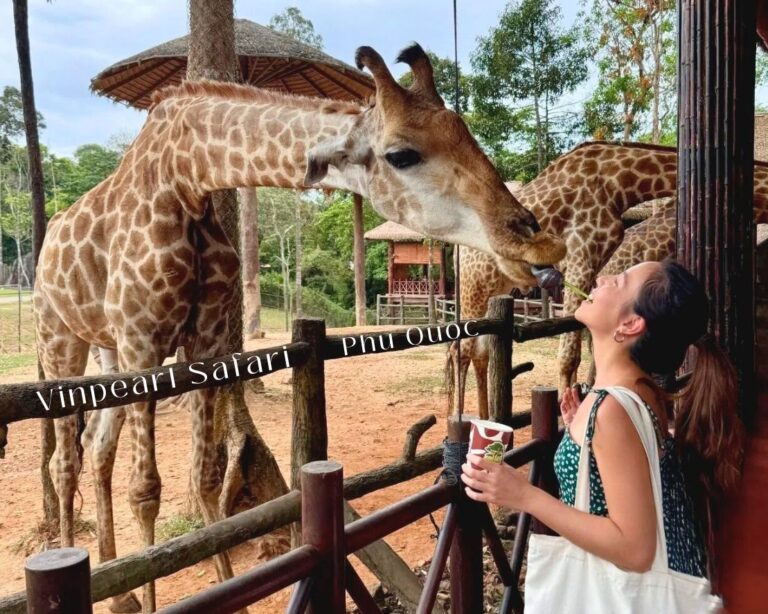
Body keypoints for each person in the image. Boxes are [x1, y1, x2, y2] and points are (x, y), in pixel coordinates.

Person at [461, 259, 744, 583]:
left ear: (630, 325)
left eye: (619, 281)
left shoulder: (612, 410)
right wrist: (581, 441)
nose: (604, 277)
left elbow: (636, 549)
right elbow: (629, 469)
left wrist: (523, 495)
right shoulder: (639, 392)